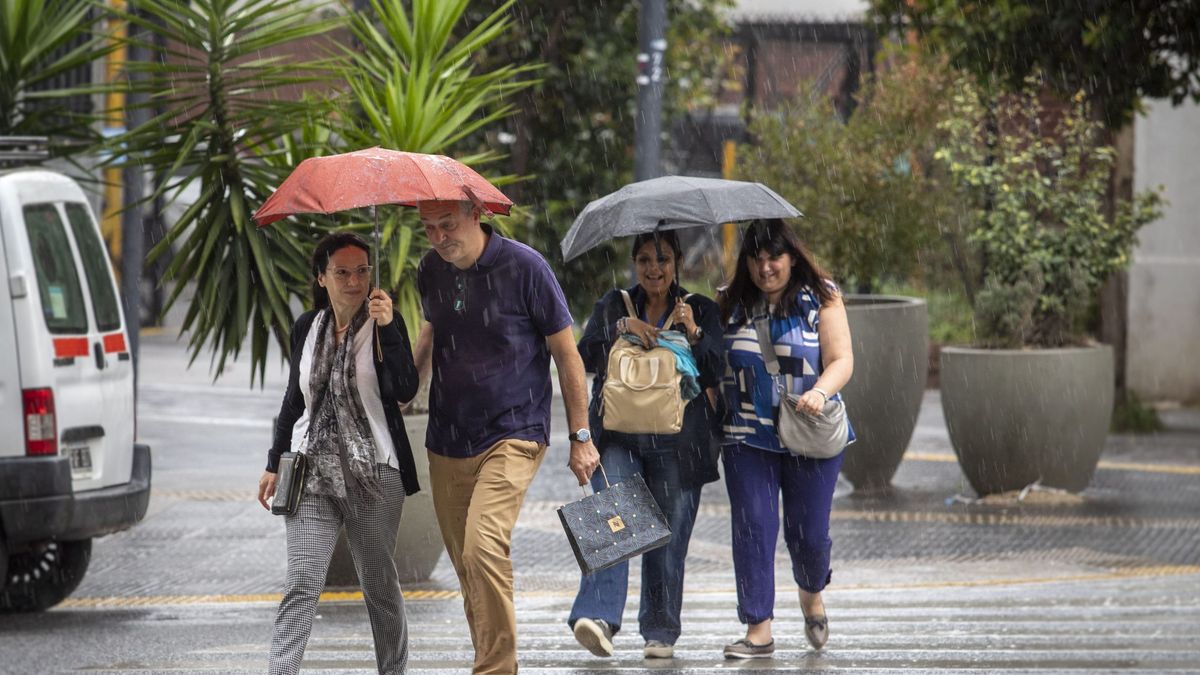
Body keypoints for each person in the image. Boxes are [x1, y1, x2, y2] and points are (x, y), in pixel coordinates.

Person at [411, 200, 600, 674]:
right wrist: (401, 388)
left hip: (514, 432)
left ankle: (496, 669)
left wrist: (581, 435)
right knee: (468, 566)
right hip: (447, 437)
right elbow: (431, 334)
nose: (438, 237)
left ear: (476, 215)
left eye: (447, 225)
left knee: (483, 547)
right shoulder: (431, 269)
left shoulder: (526, 267)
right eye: (429, 228)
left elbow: (566, 354)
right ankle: (490, 659)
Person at [257, 232, 420, 675]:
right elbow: (295, 400)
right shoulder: (306, 327)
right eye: (342, 272)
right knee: (302, 583)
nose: (354, 281)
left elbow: (405, 389)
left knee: (379, 586)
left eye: (362, 270)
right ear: (322, 277)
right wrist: (274, 462)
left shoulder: (386, 323)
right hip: (312, 472)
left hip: (375, 473)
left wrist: (388, 329)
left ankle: (394, 669)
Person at [567, 231, 724, 660]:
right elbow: (584, 355)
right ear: (634, 263)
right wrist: (623, 326)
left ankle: (660, 630)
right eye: (644, 260)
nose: (653, 269)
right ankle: (598, 617)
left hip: (682, 444)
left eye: (663, 259)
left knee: (668, 540)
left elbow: (715, 369)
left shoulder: (701, 307)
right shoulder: (615, 303)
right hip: (619, 437)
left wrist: (692, 330)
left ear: (677, 262)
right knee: (613, 517)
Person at [716, 219, 854, 658]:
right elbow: (712, 364)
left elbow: (841, 359)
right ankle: (759, 628)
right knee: (753, 527)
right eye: (755, 258)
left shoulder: (822, 297)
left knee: (809, 535)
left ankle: (811, 591)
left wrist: (819, 391)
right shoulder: (729, 302)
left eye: (773, 257)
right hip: (745, 435)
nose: (765, 267)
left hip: (810, 433)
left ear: (792, 257)